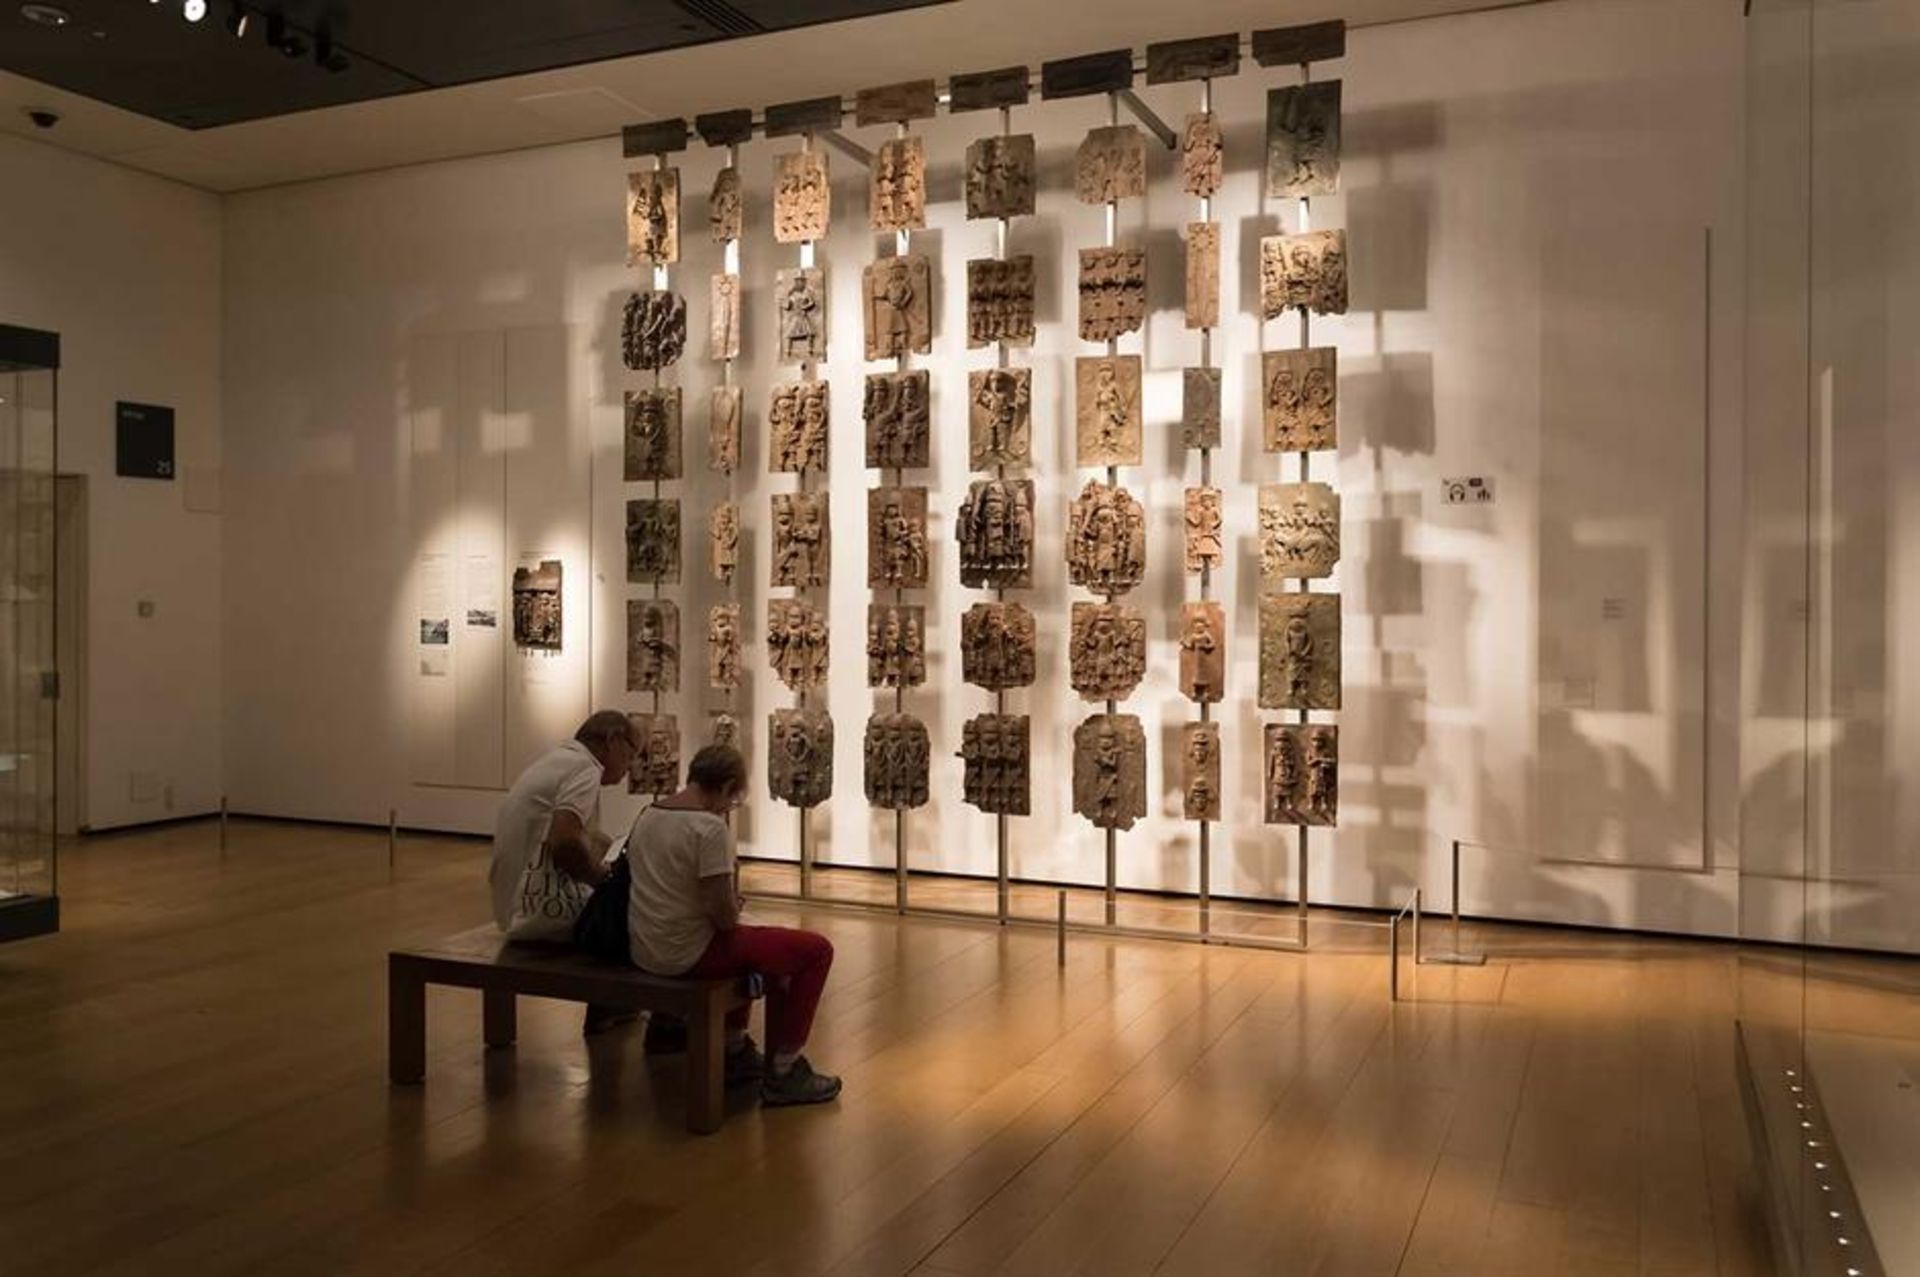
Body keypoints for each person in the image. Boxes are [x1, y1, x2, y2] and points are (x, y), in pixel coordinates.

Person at [627, 744, 842, 1107]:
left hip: (645, 946)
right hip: (688, 953)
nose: (729, 809)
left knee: (763, 945)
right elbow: (723, 917)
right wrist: (734, 900)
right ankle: (785, 1069)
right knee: (815, 951)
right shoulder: (707, 828)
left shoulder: (648, 814)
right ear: (726, 787)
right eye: (733, 800)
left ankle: (734, 1047)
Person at [489, 710, 633, 1029]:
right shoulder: (585, 769)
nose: (629, 767)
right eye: (630, 753)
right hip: (536, 911)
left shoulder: (557, 760)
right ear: (613, 740)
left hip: (508, 902)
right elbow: (565, 842)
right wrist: (601, 880)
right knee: (631, 907)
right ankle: (611, 1003)